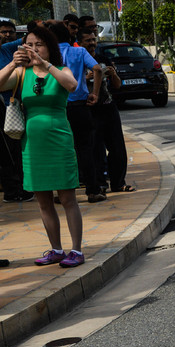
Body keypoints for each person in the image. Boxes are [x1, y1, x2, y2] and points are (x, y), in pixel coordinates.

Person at [0, 26, 85, 267]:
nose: (33, 49)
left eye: (39, 44)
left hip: (59, 142)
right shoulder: (21, 74)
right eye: (29, 44)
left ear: (50, 47)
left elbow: (72, 85)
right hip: (32, 145)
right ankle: (56, 249)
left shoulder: (60, 70)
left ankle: (76, 250)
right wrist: (11, 65)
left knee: (68, 198)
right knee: (43, 200)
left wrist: (46, 65)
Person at [50, 23, 104, 203]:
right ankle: (93, 190)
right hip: (80, 106)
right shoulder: (79, 52)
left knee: (62, 150)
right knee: (85, 149)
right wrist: (94, 93)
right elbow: (97, 68)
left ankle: (65, 191)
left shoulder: (49, 55)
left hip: (58, 108)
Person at [77, 28, 134, 195]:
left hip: (108, 108)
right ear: (79, 44)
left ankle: (118, 183)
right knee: (95, 149)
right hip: (89, 110)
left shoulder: (103, 59)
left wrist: (113, 73)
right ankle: (99, 184)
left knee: (117, 148)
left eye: (94, 40)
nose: (92, 43)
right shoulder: (77, 61)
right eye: (88, 40)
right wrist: (87, 77)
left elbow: (117, 85)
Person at [0, 20, 34, 203]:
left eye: (9, 32)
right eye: (3, 32)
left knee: (20, 149)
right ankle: (12, 190)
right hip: (4, 109)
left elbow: (28, 38)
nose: (6, 35)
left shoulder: (8, 49)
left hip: (15, 107)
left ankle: (25, 188)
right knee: (7, 152)